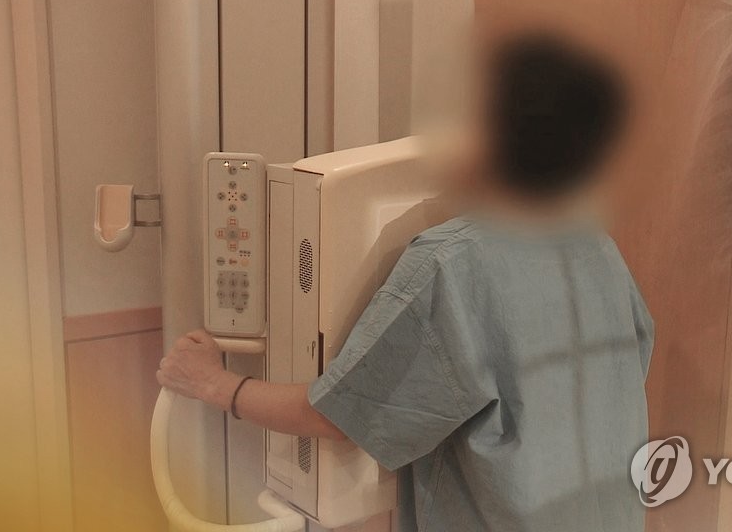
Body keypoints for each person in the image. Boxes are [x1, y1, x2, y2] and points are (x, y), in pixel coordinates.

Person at [158, 31, 654, 532]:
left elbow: (340, 414)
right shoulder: (595, 246)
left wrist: (214, 383)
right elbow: (629, 364)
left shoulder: (454, 262)